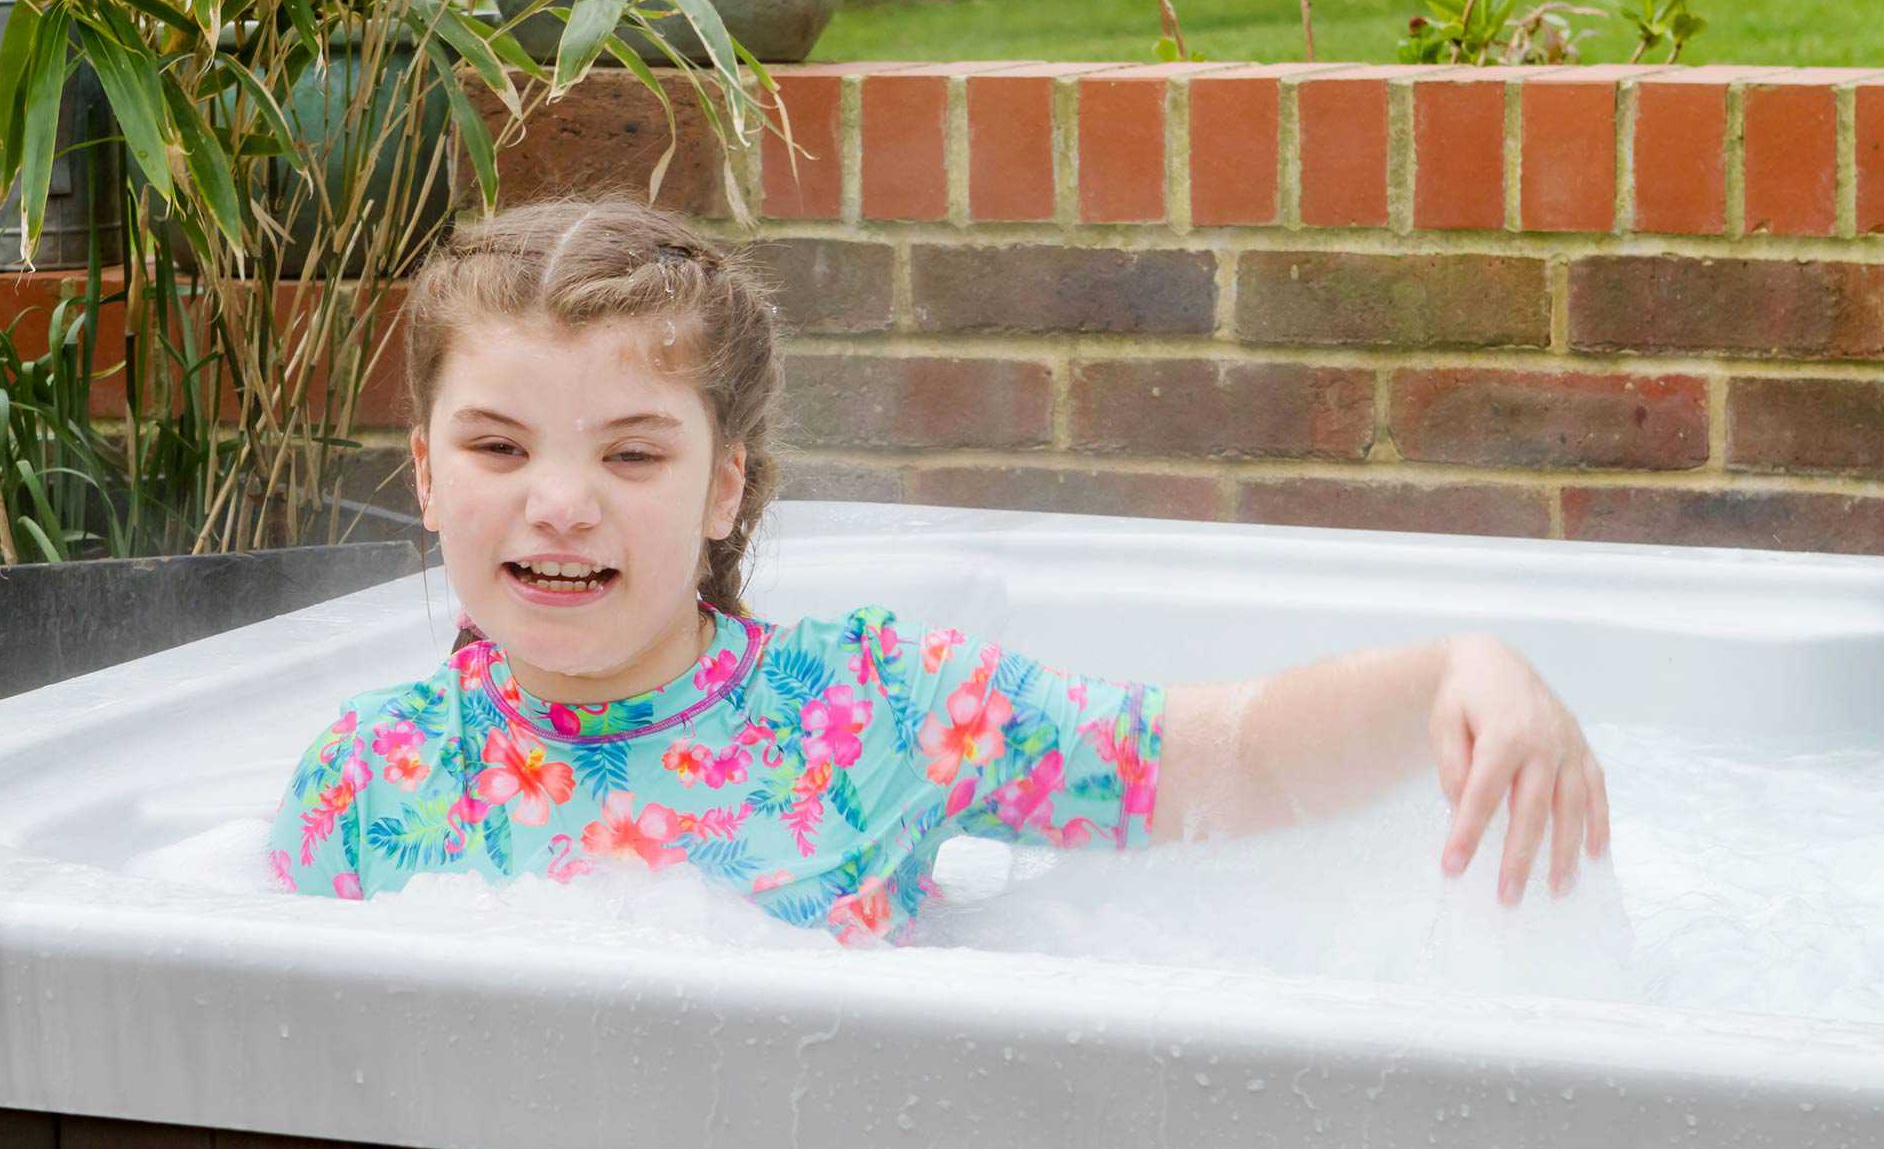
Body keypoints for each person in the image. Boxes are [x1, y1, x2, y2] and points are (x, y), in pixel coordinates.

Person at [263, 194, 1611, 947]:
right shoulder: (369, 781)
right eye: (499, 446)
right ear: (429, 477)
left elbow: (1218, 762)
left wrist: (1459, 671)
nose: (557, 506)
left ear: (725, 486)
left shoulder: (875, 710)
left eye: (630, 456)